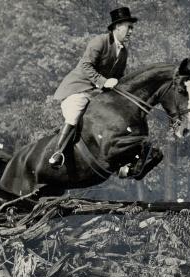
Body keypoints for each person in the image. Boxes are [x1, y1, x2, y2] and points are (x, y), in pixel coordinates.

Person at [49, 7, 137, 168]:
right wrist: (104, 82)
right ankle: (58, 153)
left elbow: (118, 77)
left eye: (132, 27)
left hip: (97, 93)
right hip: (78, 88)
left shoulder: (124, 52)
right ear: (117, 27)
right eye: (128, 27)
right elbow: (85, 66)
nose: (131, 31)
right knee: (75, 114)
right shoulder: (100, 41)